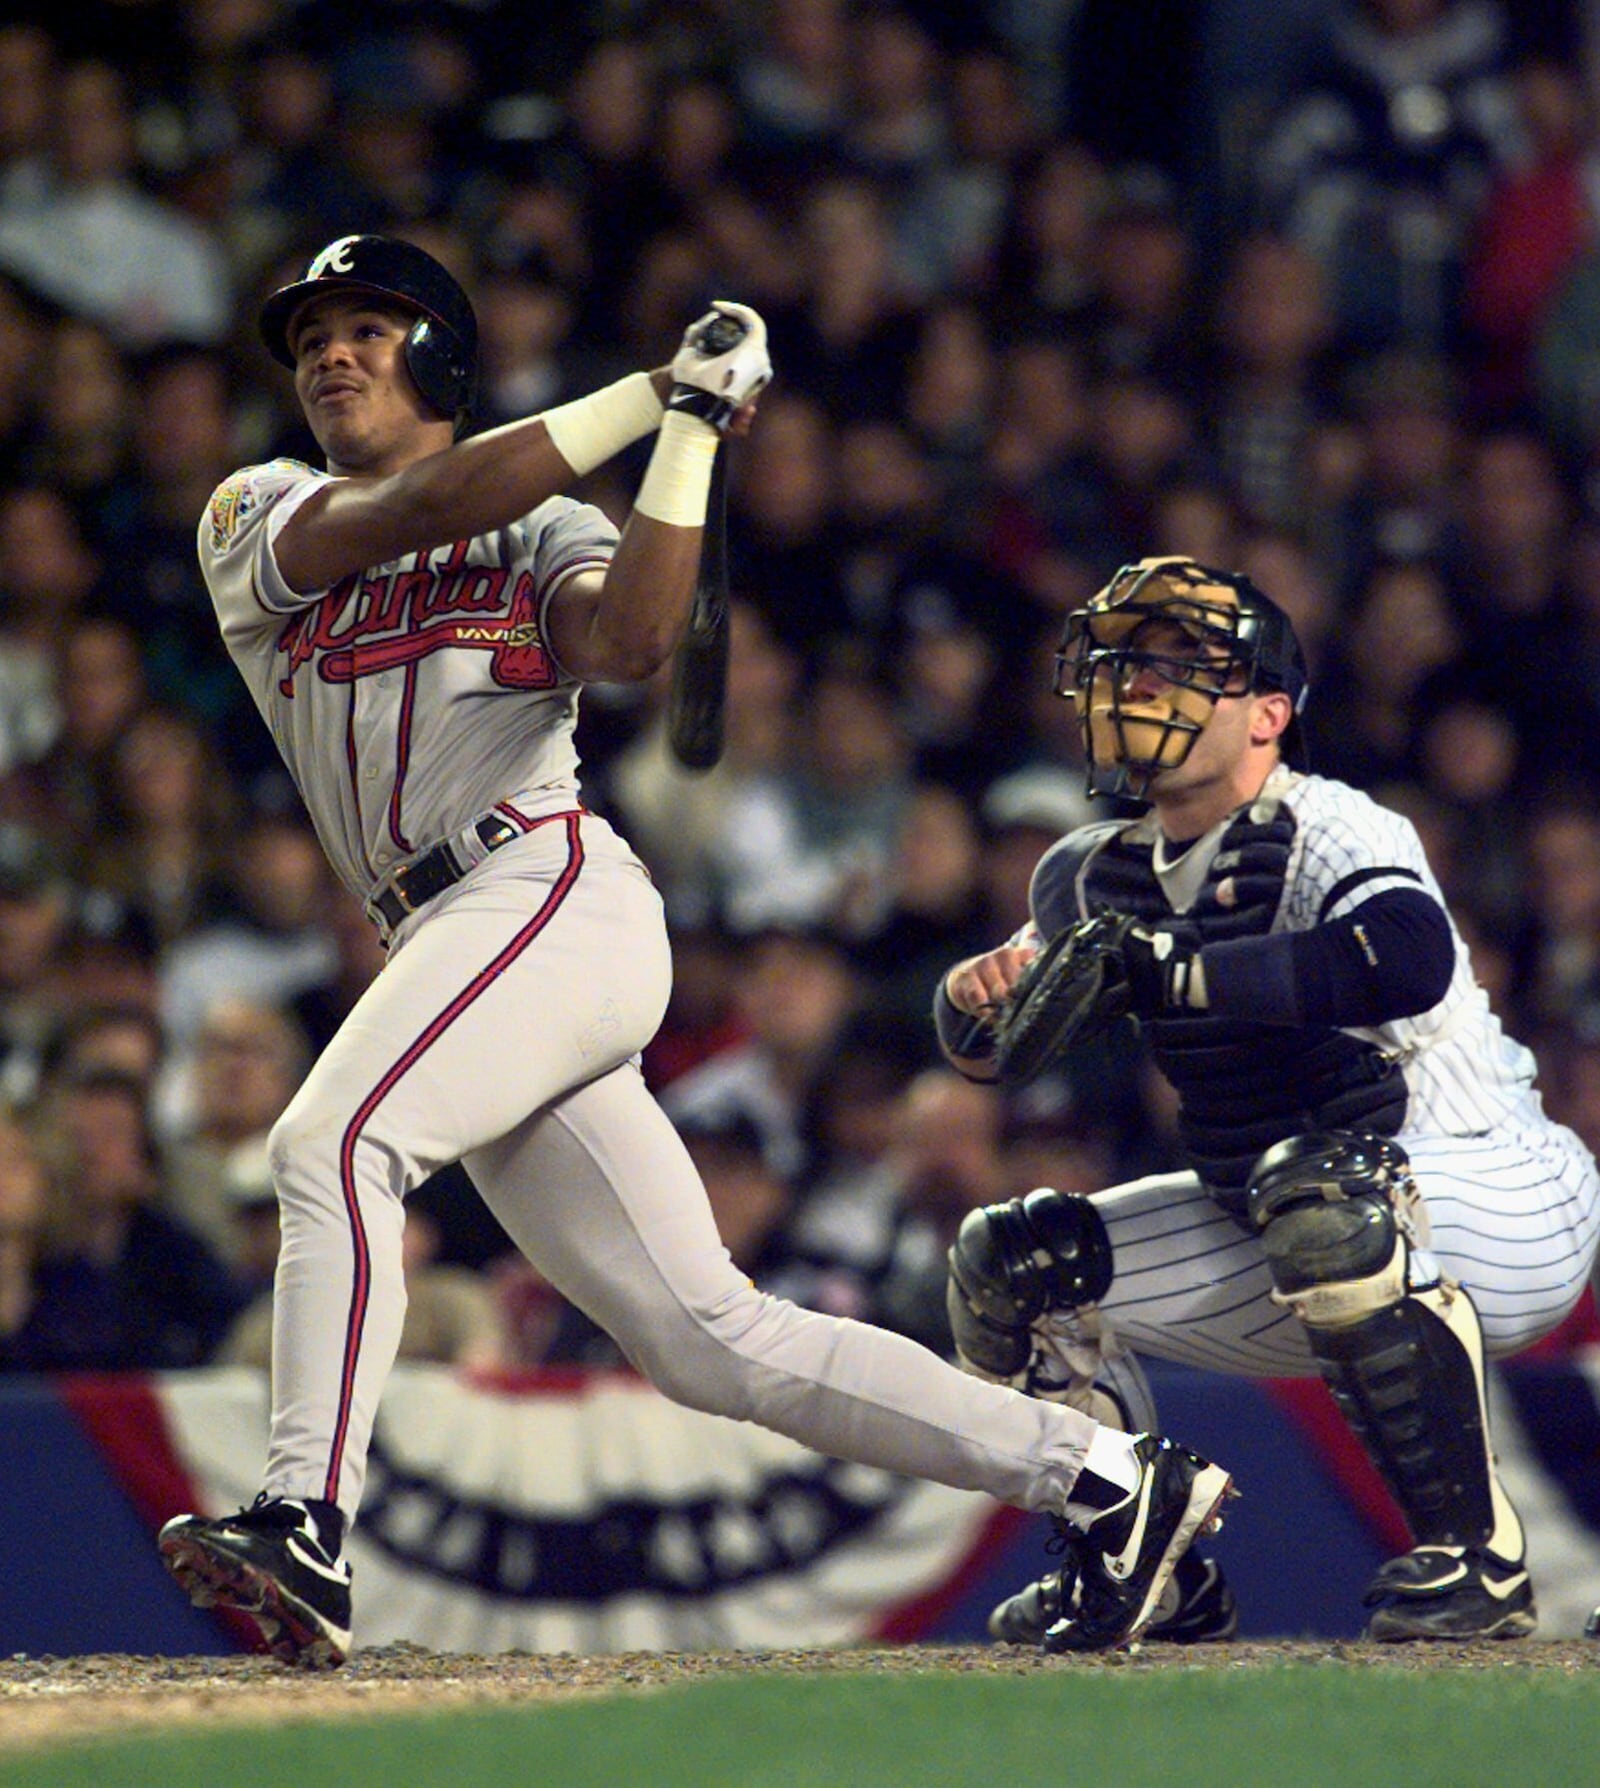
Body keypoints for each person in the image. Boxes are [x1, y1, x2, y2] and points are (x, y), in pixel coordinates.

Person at [156, 234, 1234, 1667]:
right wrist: (651, 391)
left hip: (541, 890)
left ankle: (304, 1523)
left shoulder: (538, 534)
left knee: (328, 1144)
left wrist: (689, 439)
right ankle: (1111, 1480)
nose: (331, 355)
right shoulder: (258, 510)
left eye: (367, 326)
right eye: (309, 341)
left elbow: (642, 634)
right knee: (709, 1342)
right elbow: (422, 501)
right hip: (446, 934)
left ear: (440, 358)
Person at [934, 555, 1600, 1643]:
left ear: (1269, 713)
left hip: (1493, 1185)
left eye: (1177, 662)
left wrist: (1174, 970)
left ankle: (1476, 1559)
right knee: (1011, 1268)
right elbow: (984, 1047)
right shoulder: (1087, 872)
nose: (1137, 684)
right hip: (1286, 1216)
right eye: (1124, 660)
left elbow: (1402, 956)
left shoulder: (1332, 824)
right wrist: (973, 997)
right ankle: (1141, 1556)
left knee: (1325, 1196)